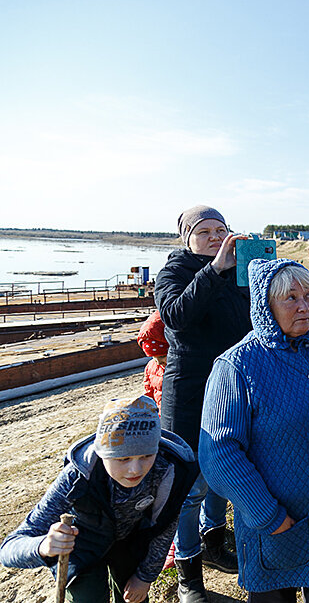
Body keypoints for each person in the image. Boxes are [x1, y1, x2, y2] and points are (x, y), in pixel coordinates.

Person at [199, 258, 309, 603]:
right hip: (277, 527)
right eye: (291, 298)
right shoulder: (237, 366)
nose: (305, 306)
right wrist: (270, 517)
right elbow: (219, 454)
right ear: (265, 305)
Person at [0, 396, 198, 603]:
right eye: (123, 458)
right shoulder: (78, 476)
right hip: (82, 547)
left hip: (131, 541)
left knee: (136, 599)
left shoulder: (168, 471)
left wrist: (145, 577)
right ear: (102, 453)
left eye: (147, 456)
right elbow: (8, 549)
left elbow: (164, 529)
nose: (135, 470)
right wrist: (43, 545)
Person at [154, 205, 247, 602]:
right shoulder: (173, 272)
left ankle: (214, 543)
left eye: (220, 229)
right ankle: (189, 576)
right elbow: (177, 317)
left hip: (234, 385)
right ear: (186, 237)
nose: (214, 236)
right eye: (204, 230)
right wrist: (214, 271)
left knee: (224, 472)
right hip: (190, 391)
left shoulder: (239, 273)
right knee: (189, 486)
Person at [137, 310, 168, 409]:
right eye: (153, 358)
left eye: (162, 356)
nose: (158, 362)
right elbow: (149, 396)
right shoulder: (150, 368)